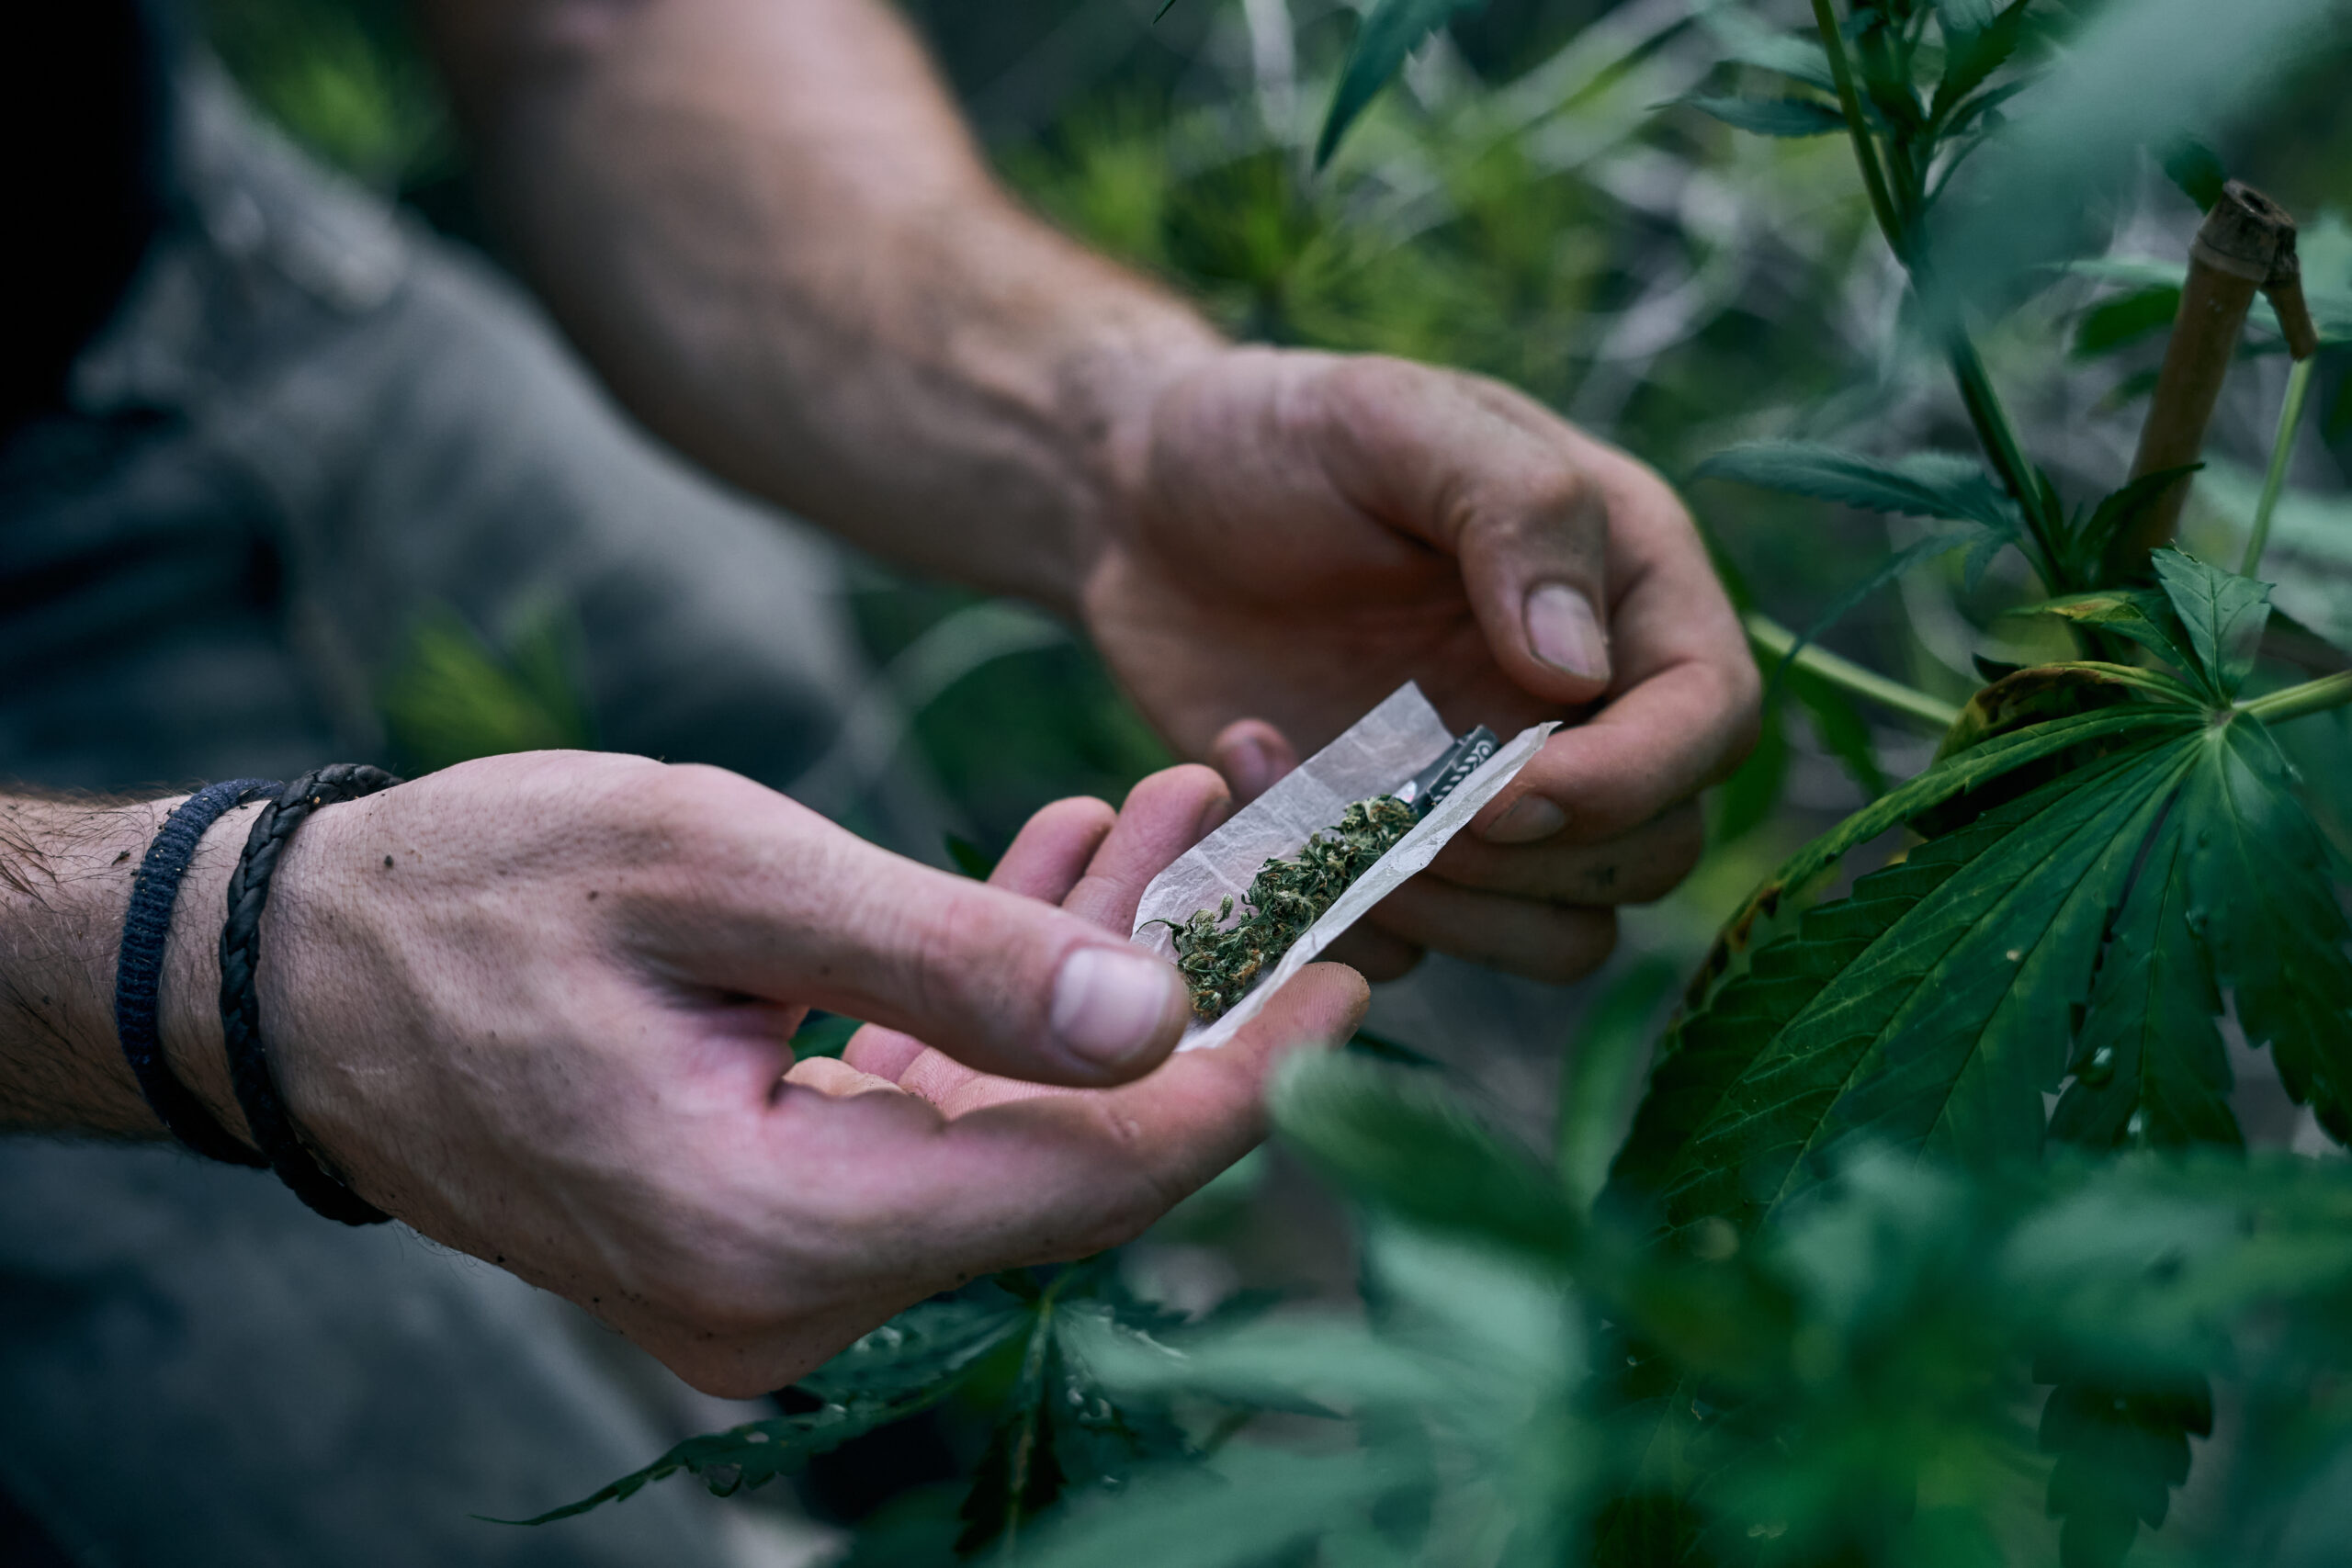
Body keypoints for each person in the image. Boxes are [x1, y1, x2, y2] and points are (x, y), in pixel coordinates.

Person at [0, 0, 1756, 1562]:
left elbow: (591, 31)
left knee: (784, 782)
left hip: (189, 246)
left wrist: (1115, 439)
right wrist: (205, 958)